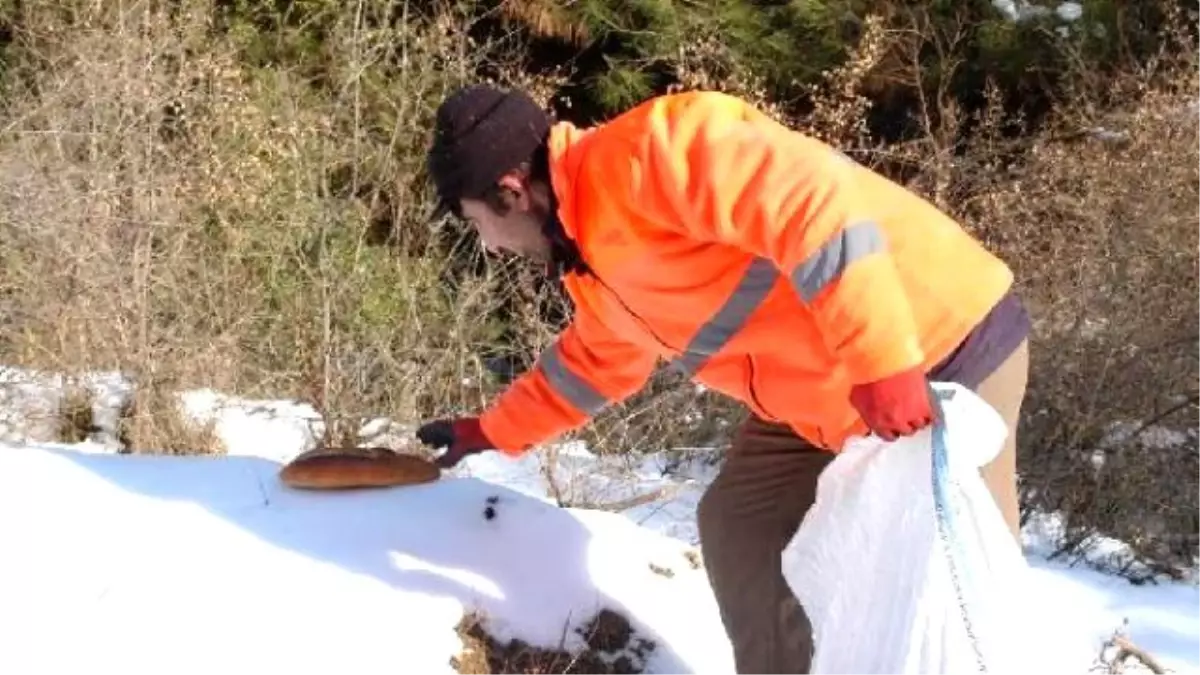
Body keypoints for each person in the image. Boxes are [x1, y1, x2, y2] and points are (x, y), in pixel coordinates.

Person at [416, 83, 1032, 675]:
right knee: (743, 525)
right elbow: (593, 362)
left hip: (944, 348)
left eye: (477, 224)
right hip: (830, 392)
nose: (490, 247)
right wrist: (492, 430)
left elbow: (814, 204)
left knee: (965, 594)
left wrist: (883, 362)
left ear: (510, 192)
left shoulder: (650, 153)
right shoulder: (590, 258)